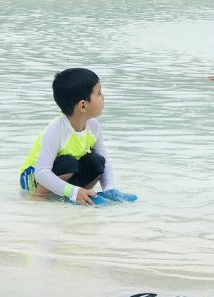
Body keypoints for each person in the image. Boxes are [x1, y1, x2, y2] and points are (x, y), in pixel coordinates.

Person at [19, 68, 136, 205]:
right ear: (82, 106)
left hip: (64, 174)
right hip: (34, 178)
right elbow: (41, 172)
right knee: (68, 163)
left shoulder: (94, 127)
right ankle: (39, 197)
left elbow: (105, 160)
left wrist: (109, 188)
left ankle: (81, 195)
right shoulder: (55, 130)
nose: (103, 97)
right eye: (99, 93)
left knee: (97, 161)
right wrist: (73, 191)